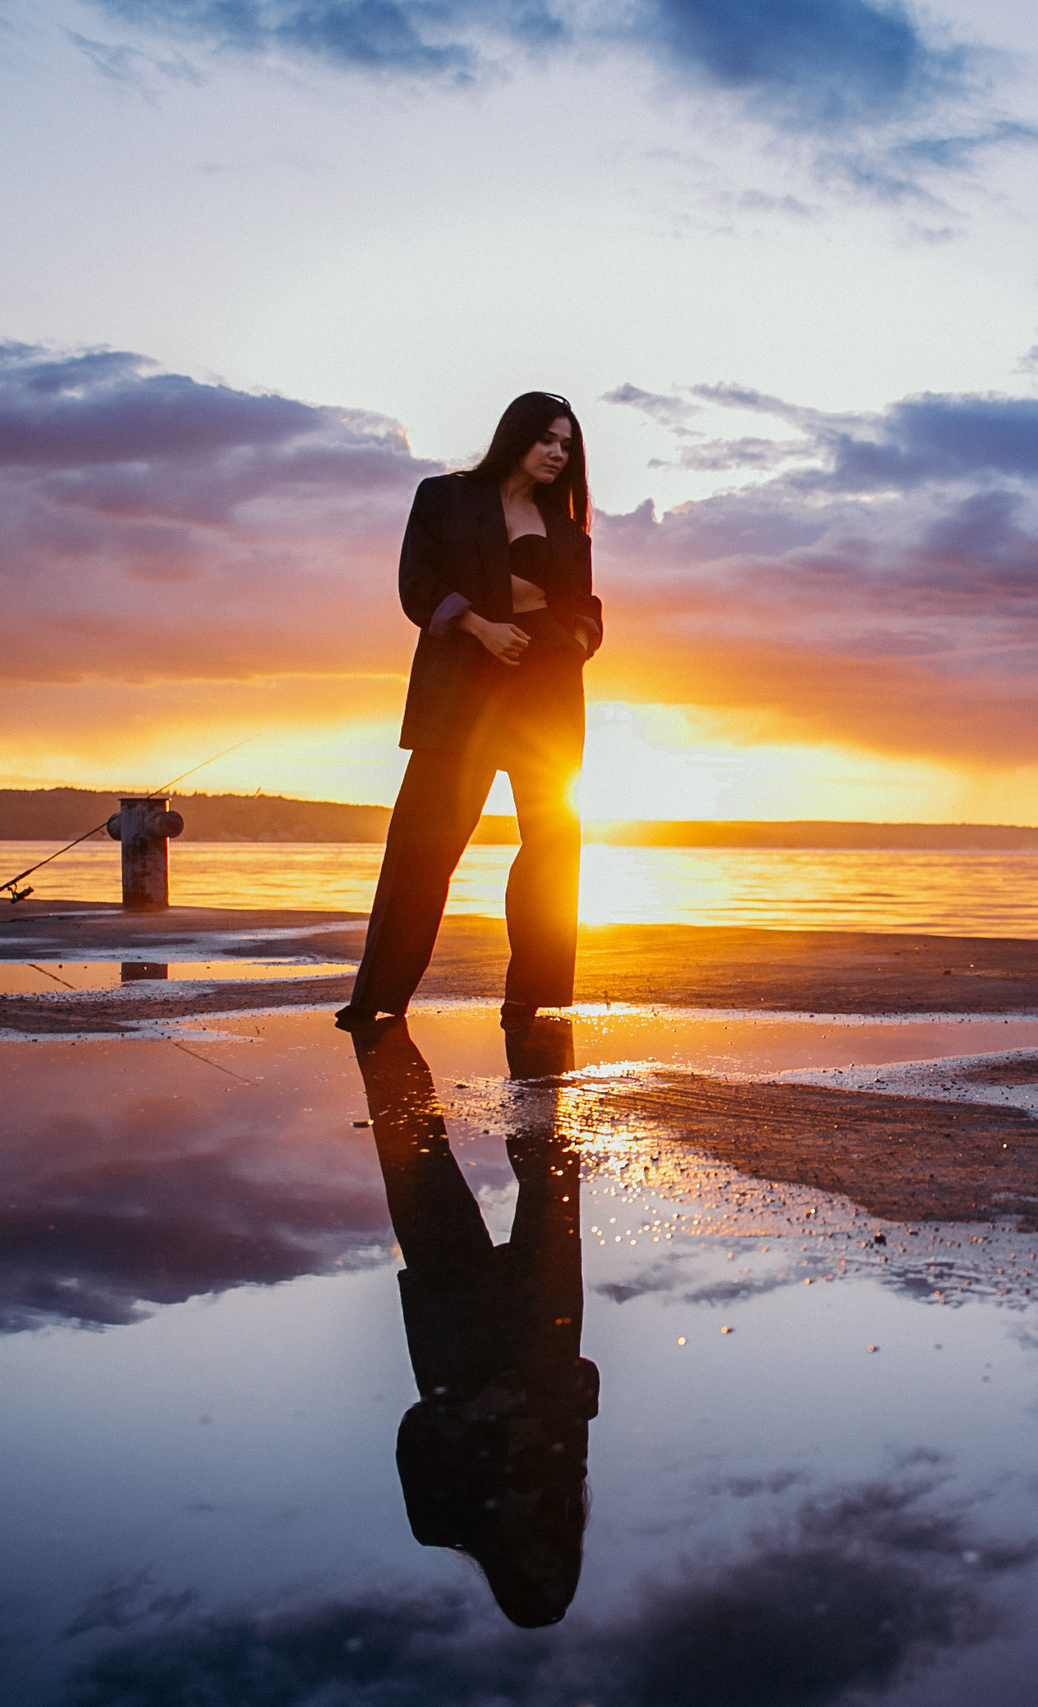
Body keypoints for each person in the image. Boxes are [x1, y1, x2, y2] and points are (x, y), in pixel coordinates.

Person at [339, 393, 603, 1033]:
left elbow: (587, 610)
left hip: (546, 696)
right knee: (422, 846)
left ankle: (531, 998)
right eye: (546, 439)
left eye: (567, 446)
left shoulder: (568, 532)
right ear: (516, 436)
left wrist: (572, 644)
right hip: (461, 691)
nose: (556, 454)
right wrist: (480, 627)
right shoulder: (444, 498)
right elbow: (416, 584)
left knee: (552, 843)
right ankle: (378, 997)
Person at [350, 1016, 597, 1627]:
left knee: (416, 1161)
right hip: (544, 1329)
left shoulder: (443, 1522)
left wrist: (482, 1411)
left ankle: (376, 1026)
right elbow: (585, 1388)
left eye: (532, 1578)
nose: (545, 1560)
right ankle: (541, 1028)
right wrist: (555, 1401)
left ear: (508, 1579)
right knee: (556, 1167)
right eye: (559, 1572)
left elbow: (415, 1430)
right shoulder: (561, 1501)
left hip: (456, 1336)